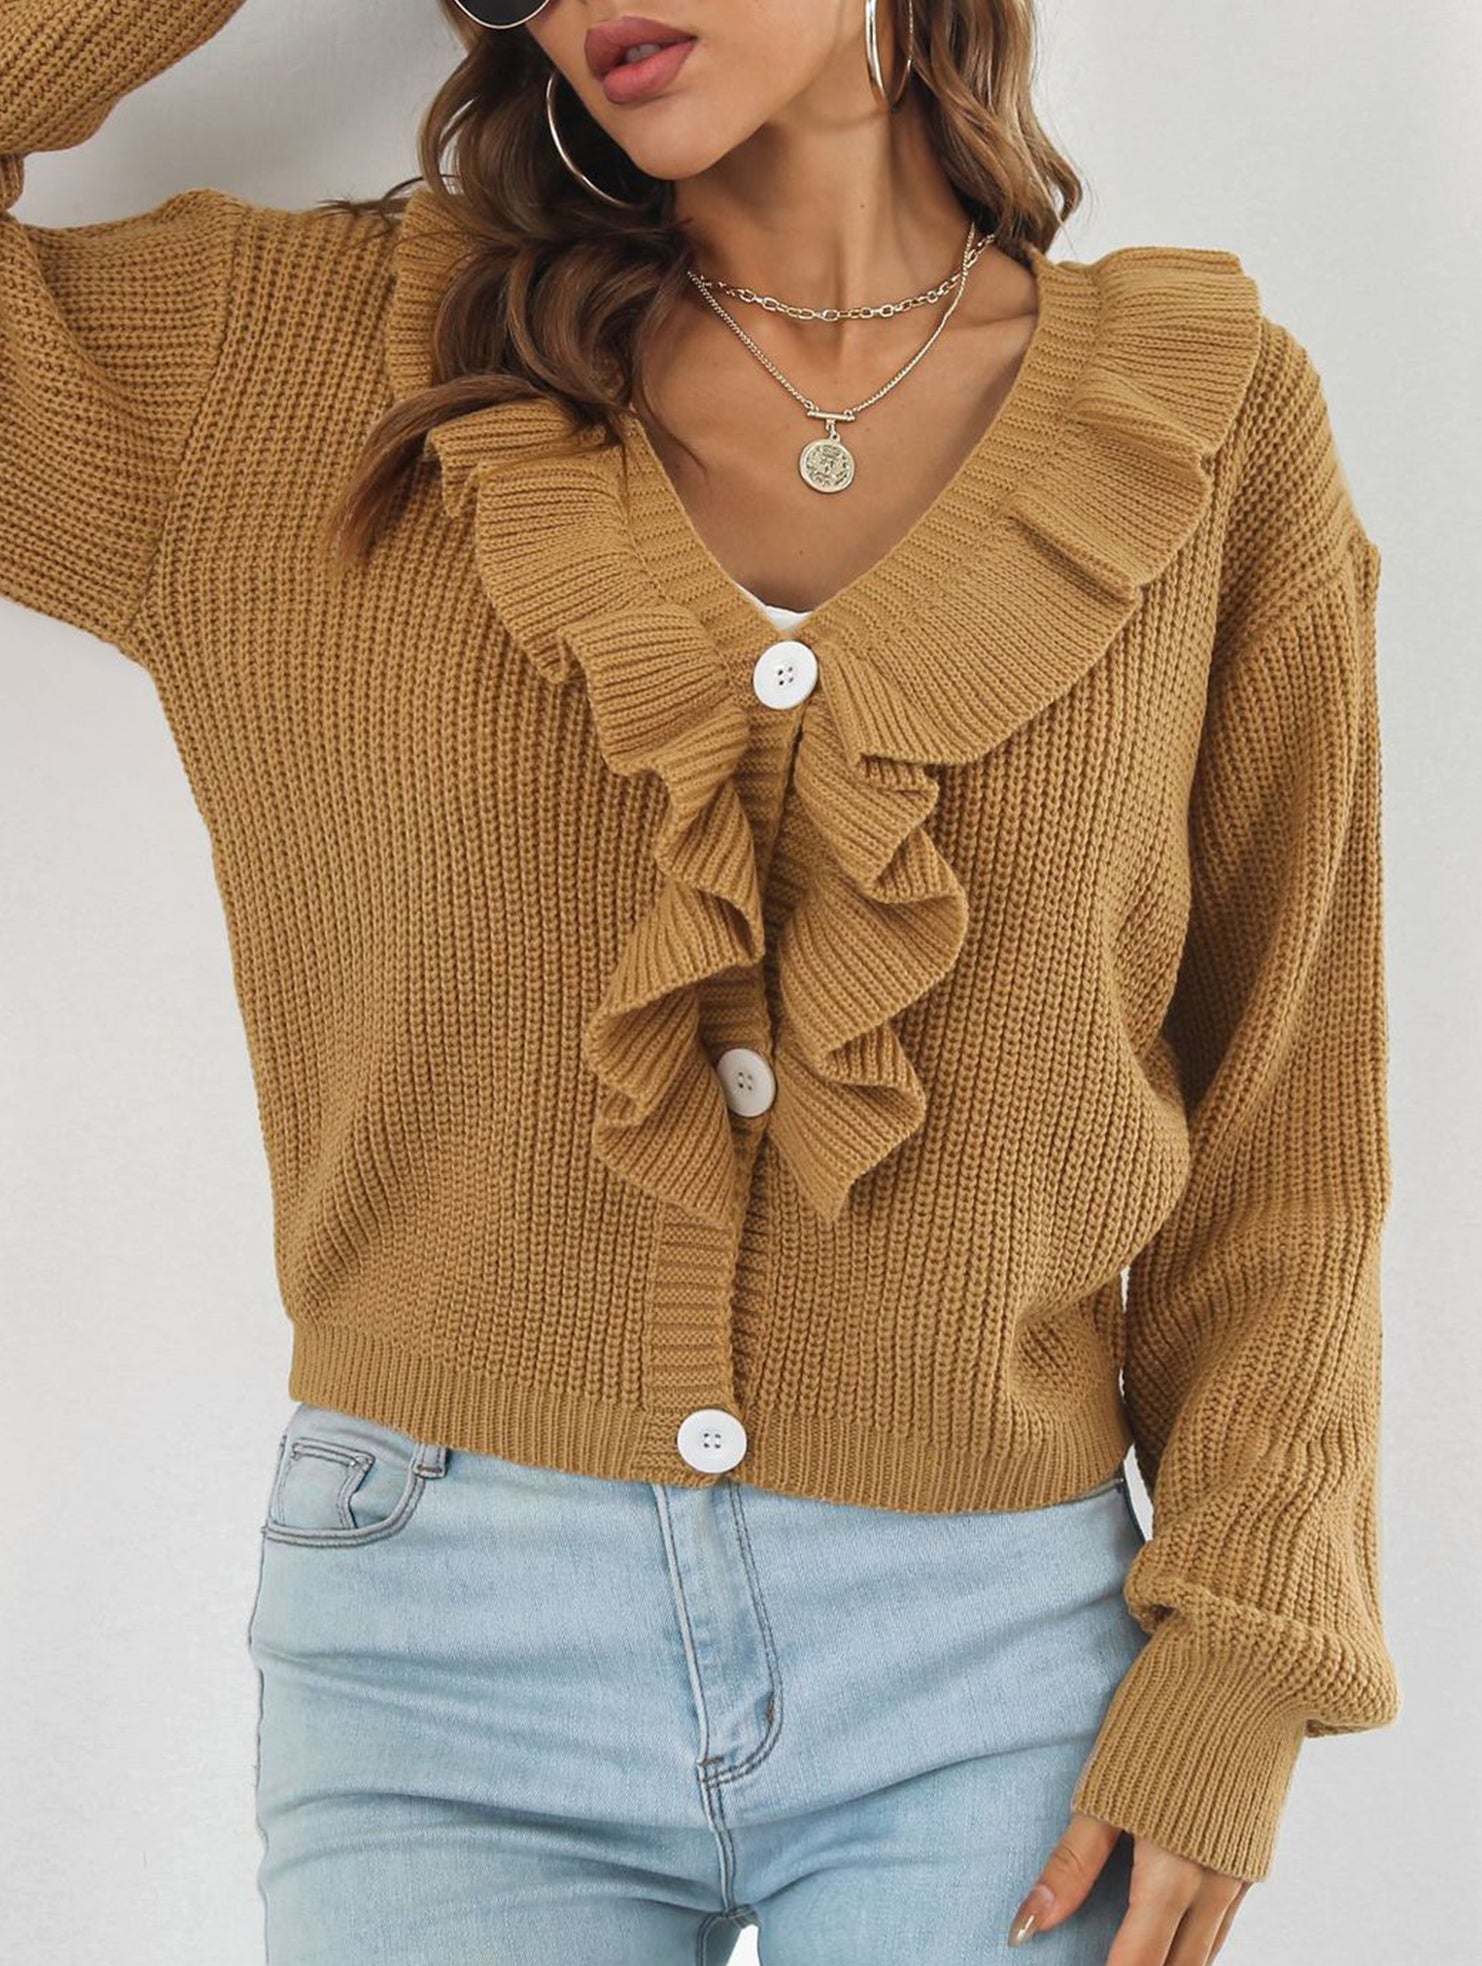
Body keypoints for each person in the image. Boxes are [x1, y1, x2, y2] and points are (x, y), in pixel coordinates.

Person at [0, 2, 1400, 1961]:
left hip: (999, 1665)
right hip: (436, 1661)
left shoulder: (1204, 424)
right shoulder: (288, 364)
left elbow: (1286, 1115)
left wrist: (1244, 1650)